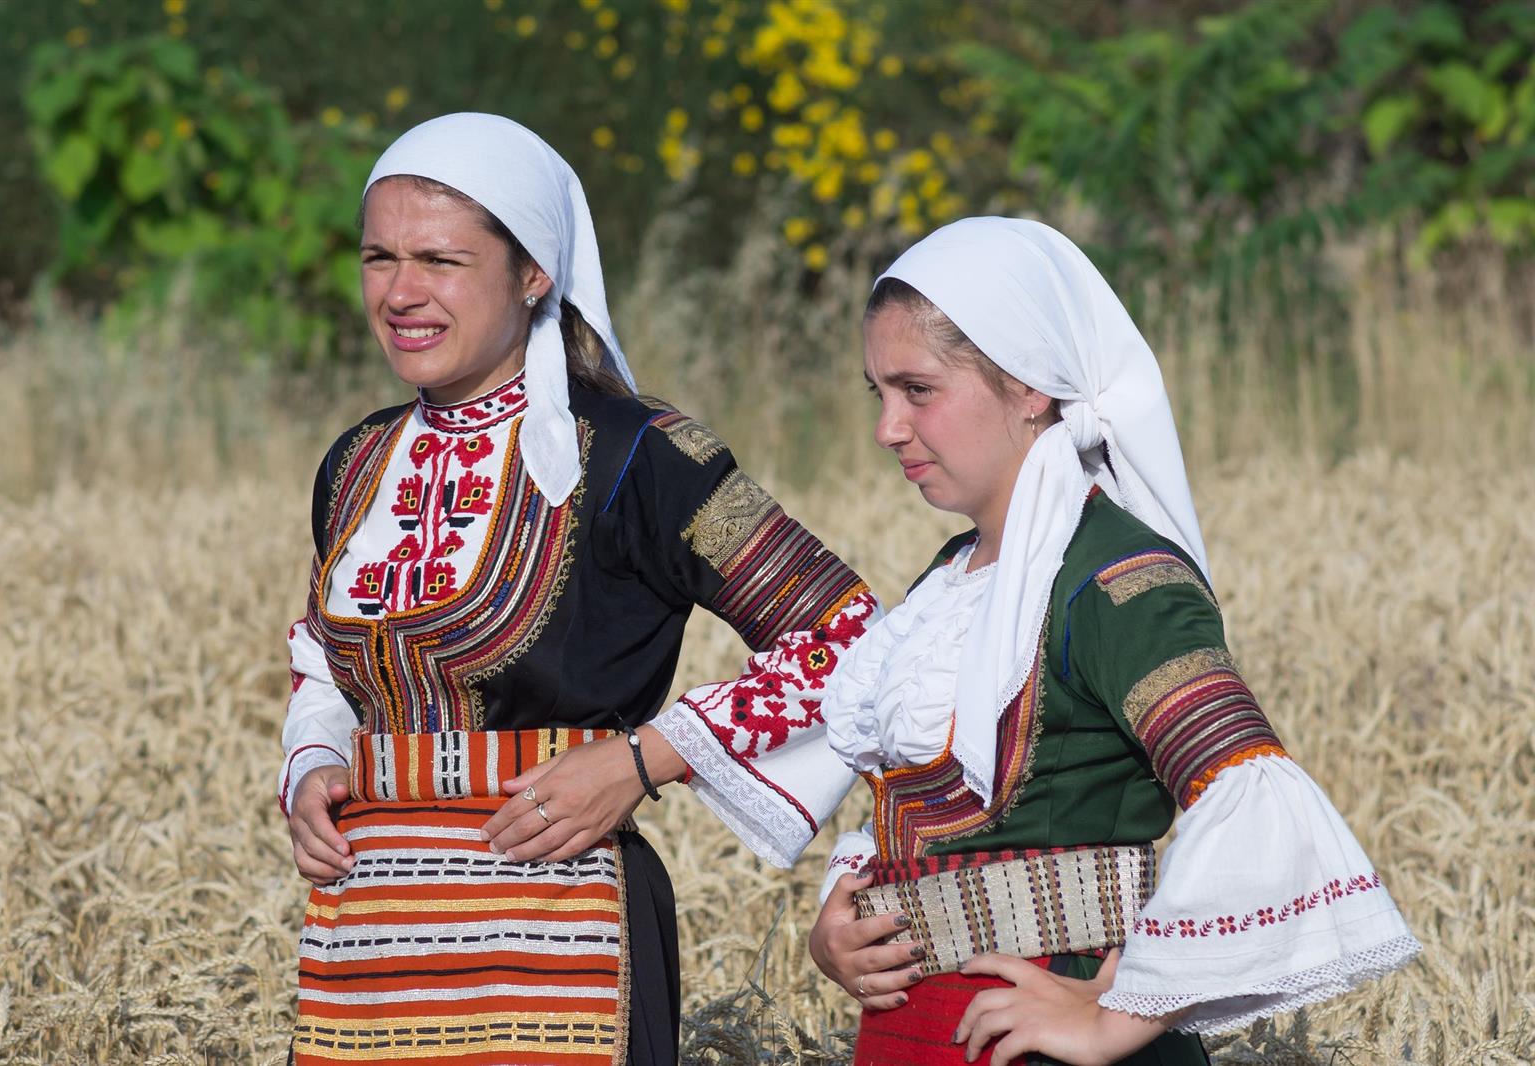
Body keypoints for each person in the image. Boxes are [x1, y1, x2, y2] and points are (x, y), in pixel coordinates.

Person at [278, 113, 874, 1065]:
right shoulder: (356, 463)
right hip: (371, 940)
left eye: (441, 261)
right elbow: (325, 657)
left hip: (560, 932)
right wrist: (312, 763)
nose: (400, 292)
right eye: (378, 257)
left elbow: (847, 636)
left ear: (534, 272)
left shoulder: (646, 455)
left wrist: (642, 760)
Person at [808, 218, 1419, 1065]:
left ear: (1029, 386)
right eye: (877, 392)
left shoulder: (1119, 581)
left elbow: (1250, 793)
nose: (888, 428)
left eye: (918, 390)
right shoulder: (948, 580)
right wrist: (840, 927)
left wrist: (1114, 1018)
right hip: (915, 1034)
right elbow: (924, 815)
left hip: (1034, 1040)